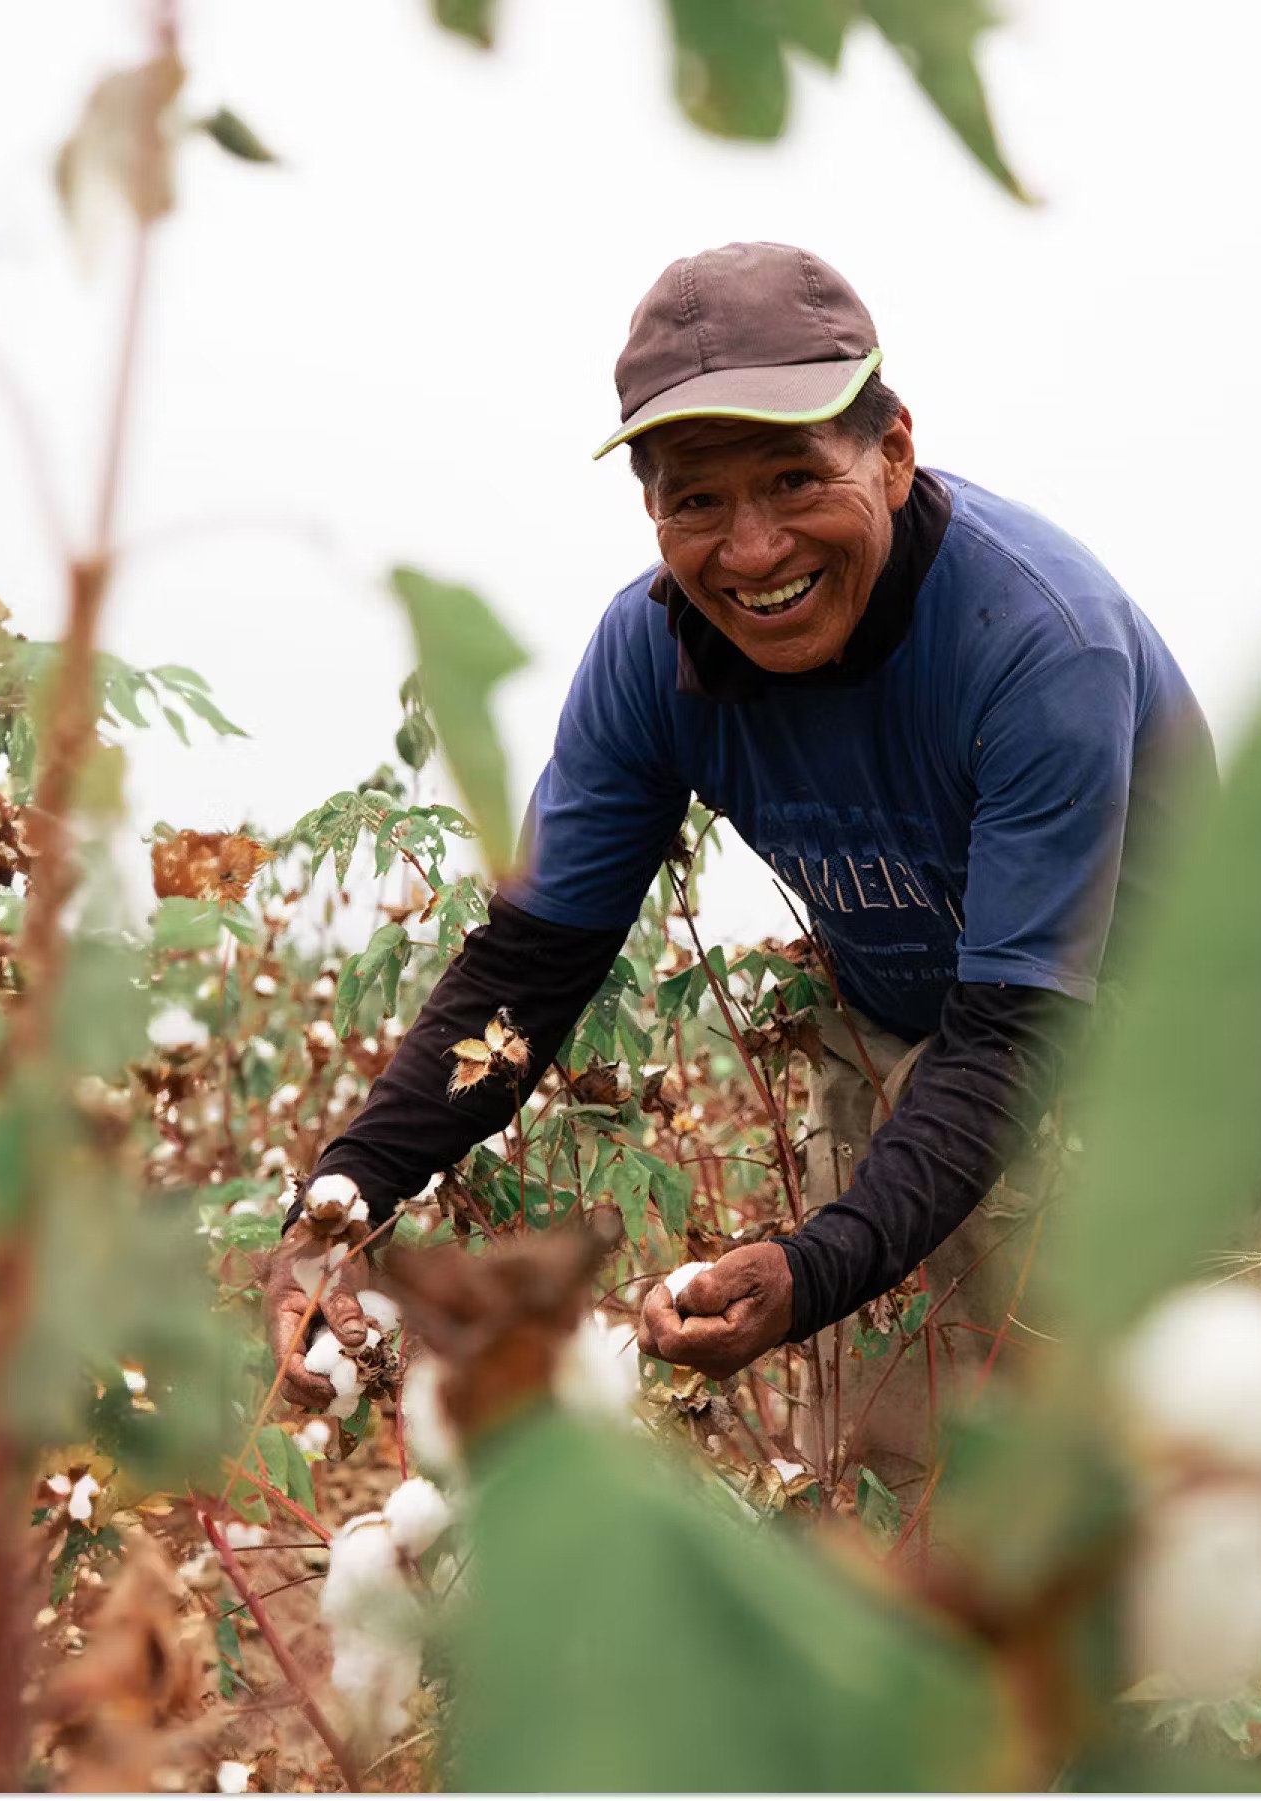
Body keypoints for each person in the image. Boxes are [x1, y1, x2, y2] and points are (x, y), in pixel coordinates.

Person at [264, 242, 1212, 1488]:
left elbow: (1012, 1036)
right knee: (902, 1494)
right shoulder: (647, 657)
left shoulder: (1036, 640)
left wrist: (820, 1263)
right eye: (694, 502)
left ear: (893, 450)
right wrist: (340, 1206)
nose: (751, 550)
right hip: (913, 1054)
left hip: (1164, 1061)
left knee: (1177, 1500)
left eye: (792, 478)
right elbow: (529, 969)